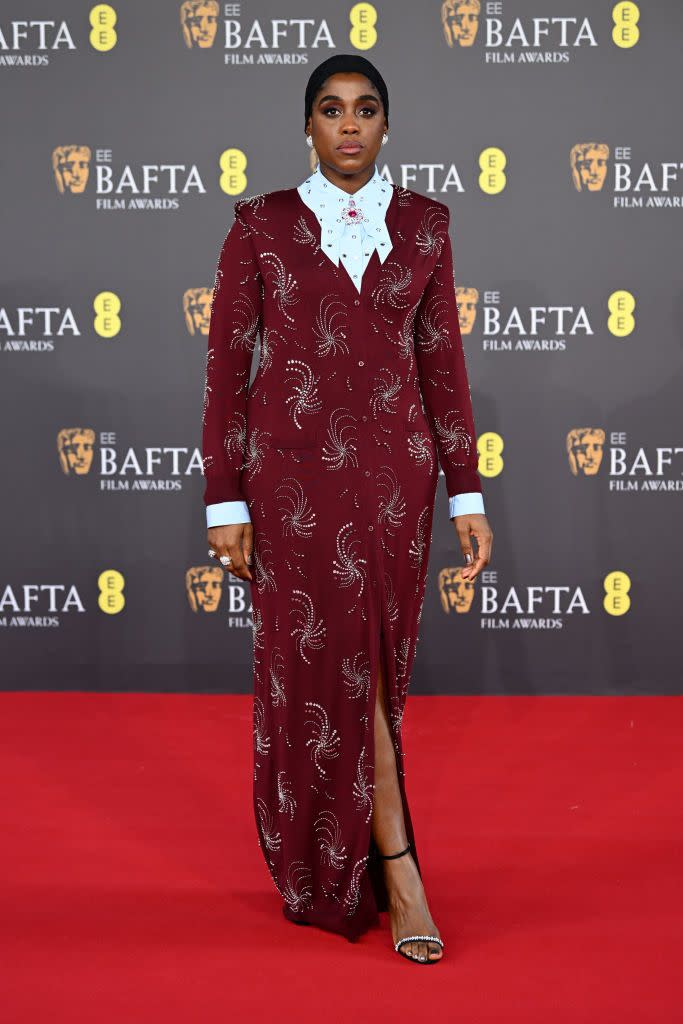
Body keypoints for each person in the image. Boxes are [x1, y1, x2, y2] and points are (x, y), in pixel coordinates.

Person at [201, 53, 493, 964]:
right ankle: (397, 870)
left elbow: (441, 366)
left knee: (374, 673)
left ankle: (344, 863)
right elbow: (227, 373)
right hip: (292, 494)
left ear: (386, 125)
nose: (350, 125)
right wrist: (223, 501)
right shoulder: (260, 225)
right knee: (331, 673)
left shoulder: (426, 226)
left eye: (366, 109)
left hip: (396, 489)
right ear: (308, 127)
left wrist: (466, 493)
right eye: (331, 110)